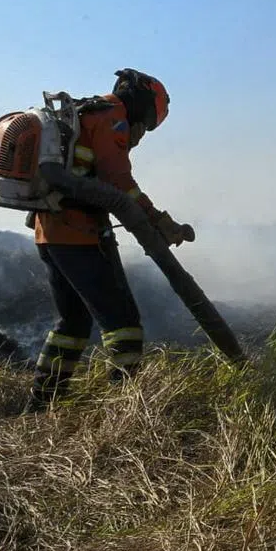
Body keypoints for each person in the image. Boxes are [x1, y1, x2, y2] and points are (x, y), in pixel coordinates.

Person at [26, 68, 194, 413]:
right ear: (143, 107)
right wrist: (159, 220)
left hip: (50, 231)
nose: (142, 133)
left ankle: (41, 404)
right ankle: (123, 411)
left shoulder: (87, 112)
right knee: (124, 325)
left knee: (72, 323)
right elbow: (120, 183)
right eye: (147, 124)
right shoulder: (112, 118)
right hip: (80, 233)